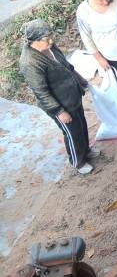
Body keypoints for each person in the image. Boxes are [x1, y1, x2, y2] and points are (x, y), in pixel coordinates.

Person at [19, 19, 100, 175]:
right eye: (46, 39)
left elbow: (66, 66)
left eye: (50, 36)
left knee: (81, 125)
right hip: (60, 104)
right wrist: (59, 111)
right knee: (72, 133)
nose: (51, 41)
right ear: (33, 41)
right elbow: (40, 91)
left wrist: (80, 80)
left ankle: (86, 150)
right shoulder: (30, 63)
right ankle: (78, 161)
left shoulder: (49, 46)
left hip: (71, 95)